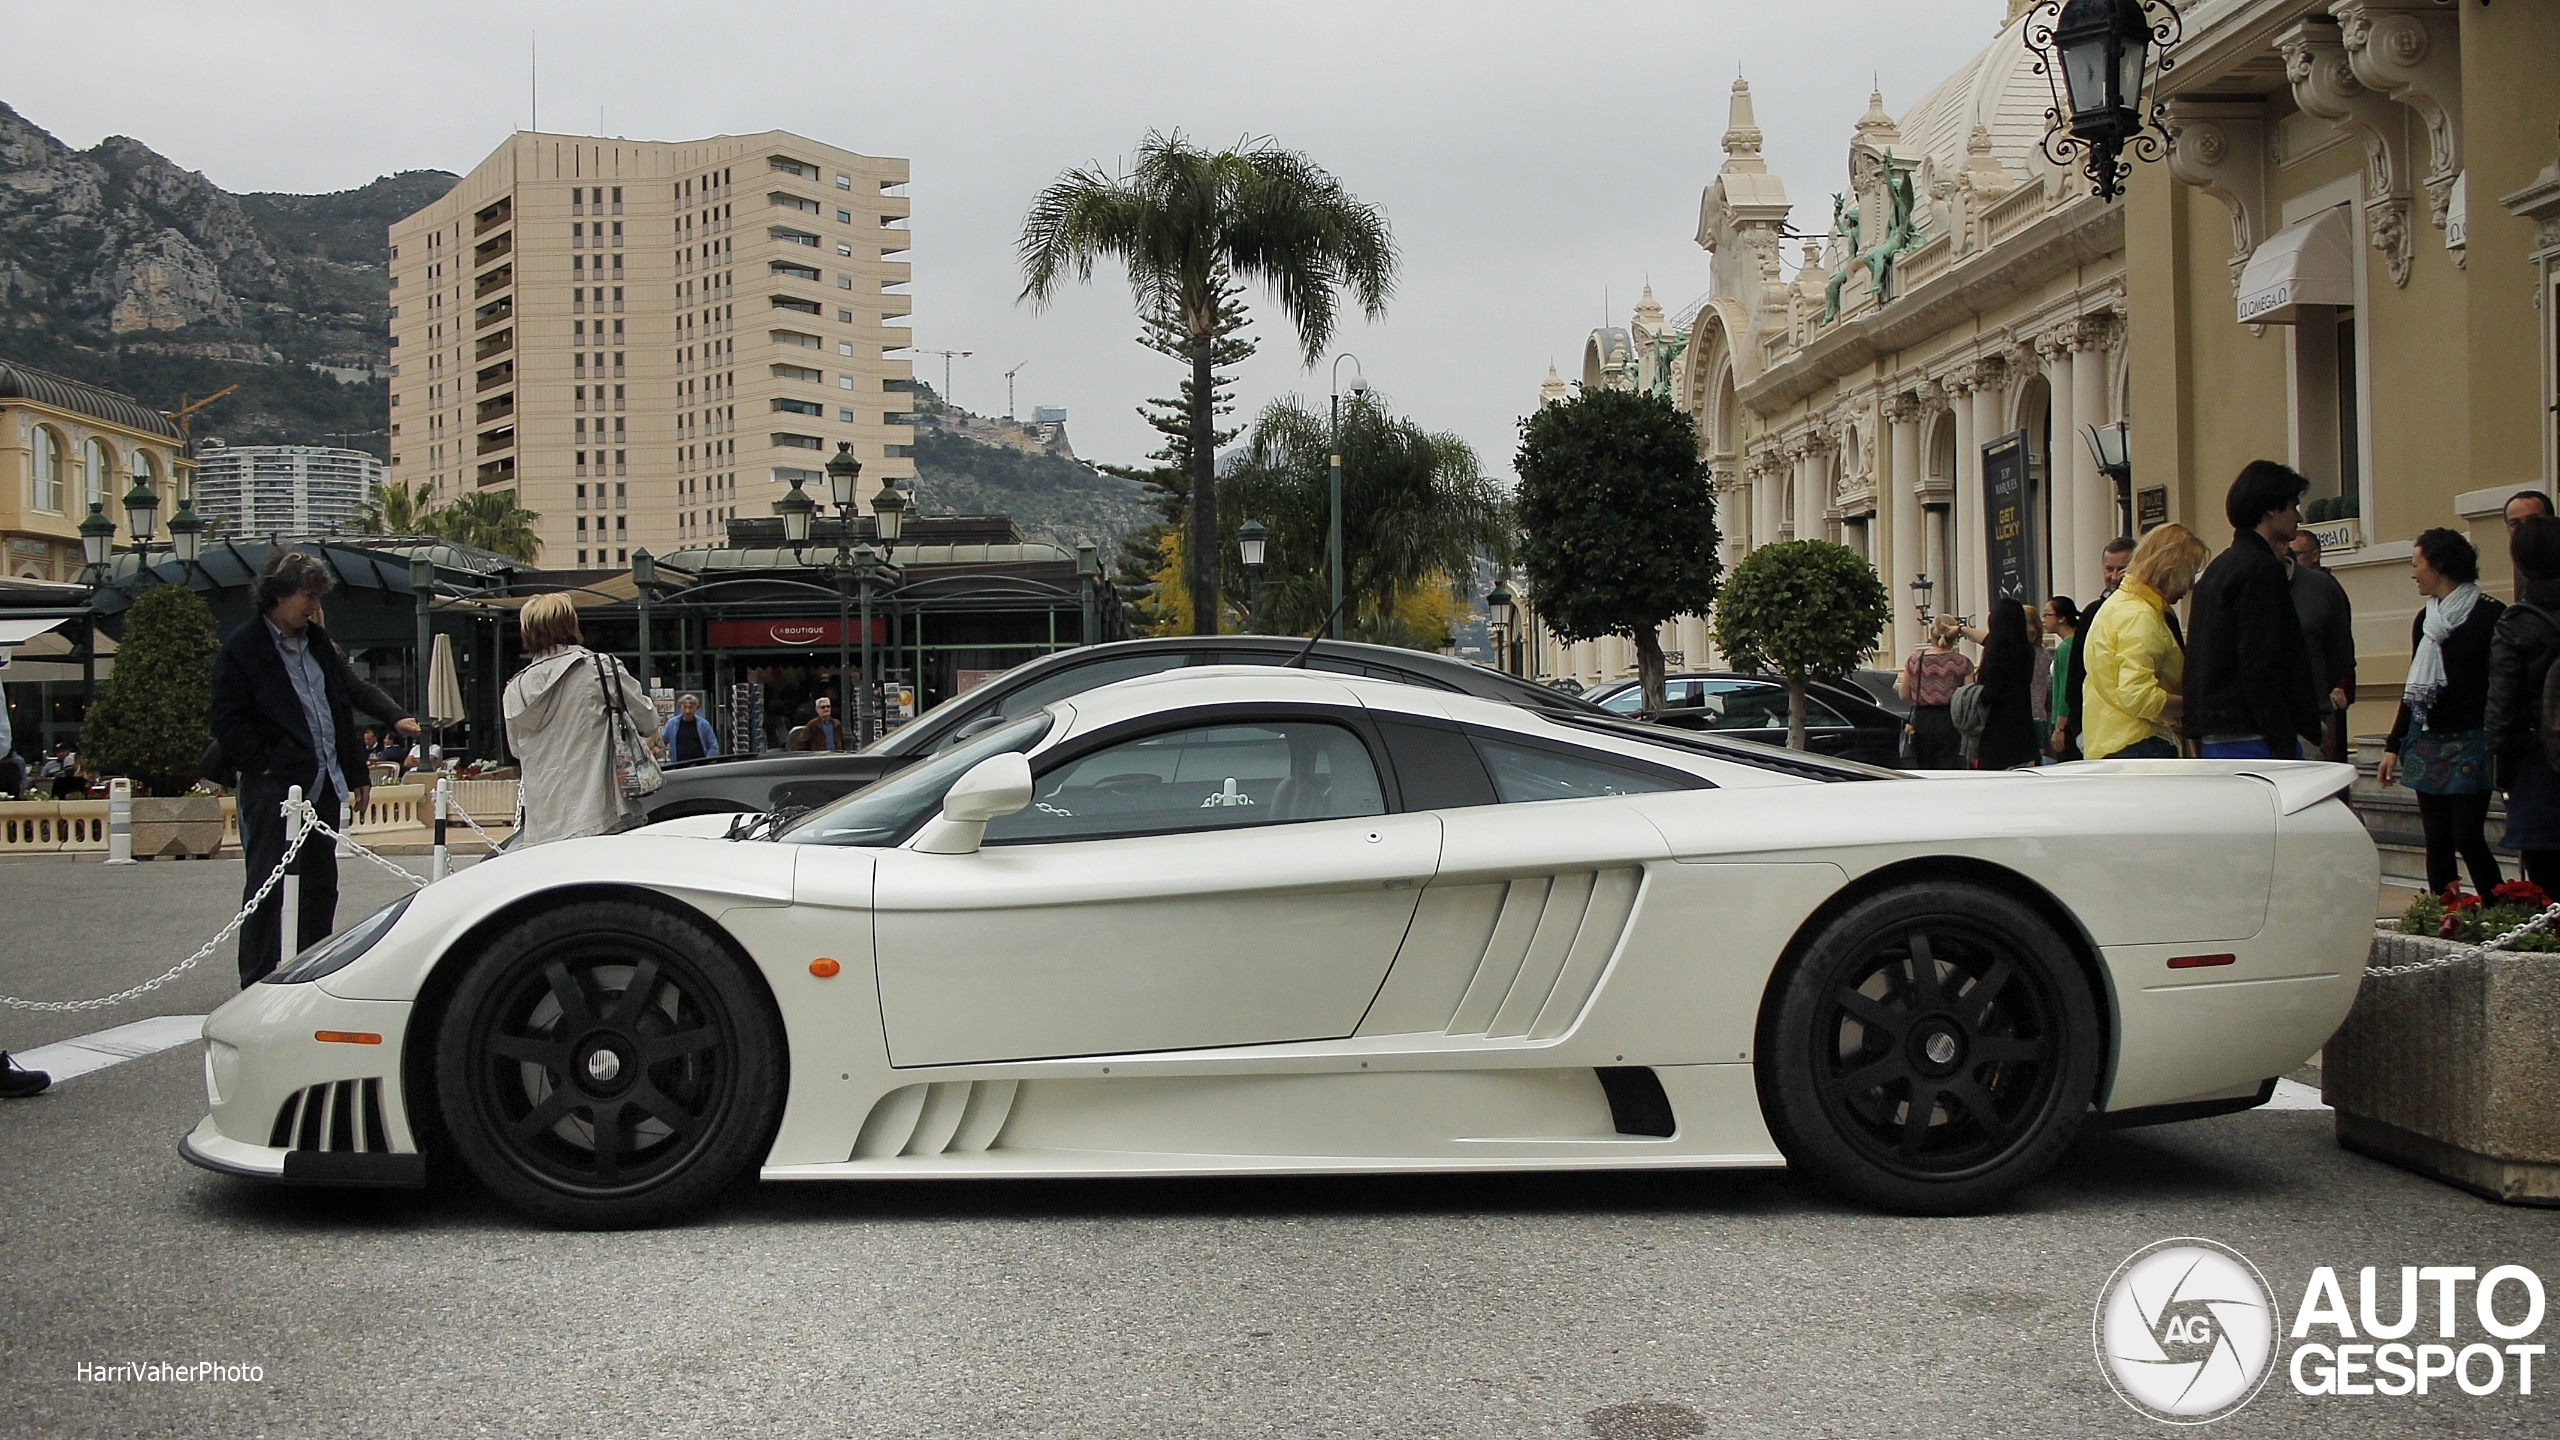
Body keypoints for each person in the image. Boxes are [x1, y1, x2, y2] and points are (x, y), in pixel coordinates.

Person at [210, 549, 420, 986]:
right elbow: (227, 720)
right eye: (307, 596)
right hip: (274, 791)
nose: (314, 606)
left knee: (321, 887)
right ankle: (256, 980)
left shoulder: (319, 643)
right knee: (267, 888)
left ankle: (312, 973)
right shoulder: (242, 648)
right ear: (278, 594)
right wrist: (264, 768)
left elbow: (346, 699)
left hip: (323, 784)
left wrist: (364, 763)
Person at [2380, 527, 2505, 897]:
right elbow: (2414, 685)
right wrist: (2393, 743)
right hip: (2427, 740)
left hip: (2471, 741)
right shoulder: (2425, 620)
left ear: (2438, 566)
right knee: (2436, 839)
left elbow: (2498, 684)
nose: (2413, 573)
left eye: (2417, 564)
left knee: (2467, 835)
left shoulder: (2491, 616)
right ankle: (2443, 914)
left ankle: (2503, 911)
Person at [2184, 461, 2320, 760]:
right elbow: (2261, 660)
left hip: (2216, 733)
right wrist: (2282, 737)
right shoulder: (2261, 570)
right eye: (2293, 505)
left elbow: (2198, 656)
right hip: (2254, 735)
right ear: (2272, 508)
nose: (2299, 516)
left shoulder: (2218, 569)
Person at [503, 593, 660, 847]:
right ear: (571, 623)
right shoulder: (600, 669)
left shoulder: (515, 689)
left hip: (541, 826)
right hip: (598, 814)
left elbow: (516, 750)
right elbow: (648, 720)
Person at [2081, 524, 2209, 761]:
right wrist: (2196, 705)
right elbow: (2137, 695)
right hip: (2142, 744)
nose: (2190, 585)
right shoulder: (2141, 616)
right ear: (2171, 570)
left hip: (2110, 739)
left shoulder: (2119, 605)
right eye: (2189, 572)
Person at [2486, 516, 2560, 892]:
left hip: (2539, 765)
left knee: (2547, 881)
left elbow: (2502, 705)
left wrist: (2500, 767)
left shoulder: (2518, 622)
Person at [2061, 537, 2138, 760]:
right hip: (2097, 727)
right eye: (2109, 569)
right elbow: (2077, 673)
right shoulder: (2092, 613)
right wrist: (2077, 726)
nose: (2114, 577)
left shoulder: (2148, 609)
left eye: (2122, 569)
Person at [2288, 529, 2357, 764]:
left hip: (2327, 695)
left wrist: (2336, 685)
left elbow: (2340, 645)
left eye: (2296, 554)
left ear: (2315, 555)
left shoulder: (2327, 588)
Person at [1897, 615, 1974, 770]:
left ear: (1931, 633)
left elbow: (1904, 695)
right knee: (1951, 767)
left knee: (1925, 767)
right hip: (1951, 719)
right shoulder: (1962, 662)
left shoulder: (1914, 660)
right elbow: (1969, 697)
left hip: (1922, 720)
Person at [1973, 601, 2043, 770]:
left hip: (1997, 733)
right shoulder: (2027, 649)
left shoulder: (1996, 651)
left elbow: (1991, 692)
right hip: (2023, 729)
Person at [2045, 595, 2082, 758]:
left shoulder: (2066, 647)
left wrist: (2059, 727)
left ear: (2061, 618)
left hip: (2066, 722)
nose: (2044, 619)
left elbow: (2064, 689)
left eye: (2048, 614)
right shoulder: (2072, 643)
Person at [661, 692, 720, 762]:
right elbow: (662, 741)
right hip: (678, 765)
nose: (687, 711)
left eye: (690, 707)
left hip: (699, 766)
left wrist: (707, 761)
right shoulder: (672, 724)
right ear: (680, 707)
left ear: (696, 708)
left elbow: (713, 746)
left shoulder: (704, 725)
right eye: (685, 707)